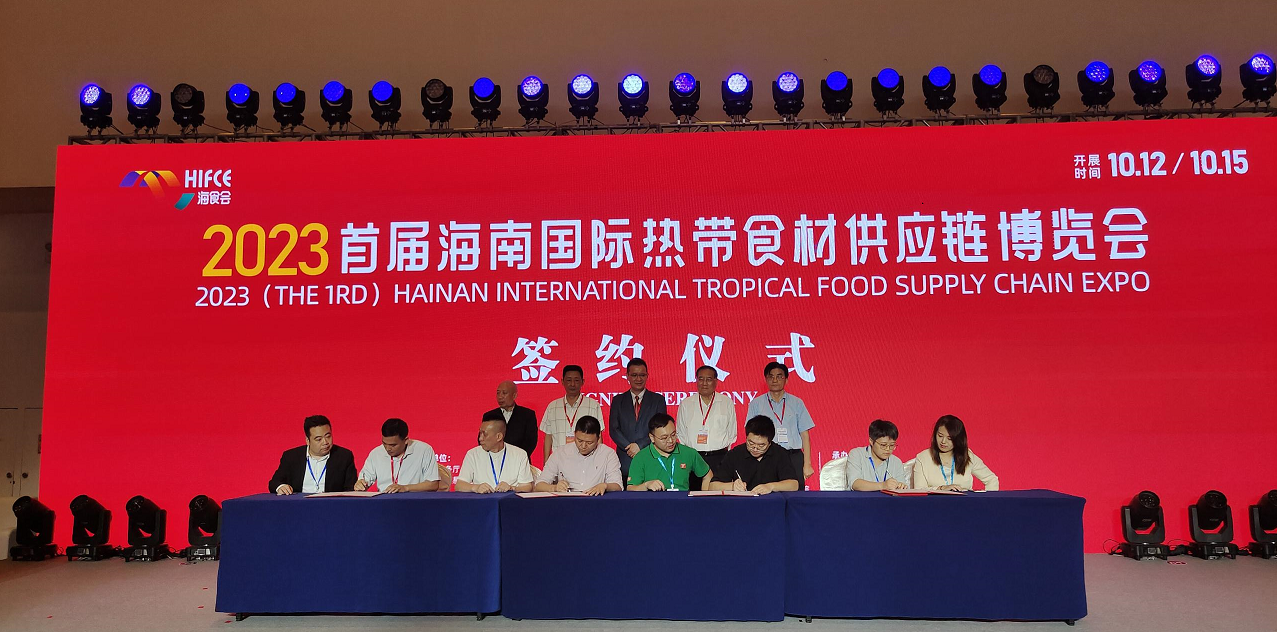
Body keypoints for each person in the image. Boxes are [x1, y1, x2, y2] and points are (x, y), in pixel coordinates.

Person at [746, 362, 816, 483]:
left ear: (786, 380)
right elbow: (750, 434)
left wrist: (807, 464)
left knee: (796, 492)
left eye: (779, 376)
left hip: (793, 456)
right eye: (771, 376)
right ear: (766, 380)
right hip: (767, 457)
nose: (775, 380)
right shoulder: (756, 404)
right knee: (766, 492)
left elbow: (805, 435)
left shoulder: (797, 403)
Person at [675, 365, 737, 490]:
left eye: (708, 379)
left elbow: (732, 433)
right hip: (694, 458)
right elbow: (680, 433)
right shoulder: (686, 403)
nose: (704, 383)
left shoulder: (726, 402)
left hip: (719, 458)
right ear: (696, 380)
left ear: (716, 381)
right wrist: (689, 455)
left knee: (719, 495)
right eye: (701, 379)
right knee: (694, 494)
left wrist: (726, 457)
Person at [709, 416, 801, 495]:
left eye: (761, 445)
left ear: (770, 443)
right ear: (746, 437)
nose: (755, 448)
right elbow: (712, 486)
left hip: (771, 503)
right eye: (751, 443)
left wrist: (771, 486)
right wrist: (732, 486)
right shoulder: (734, 454)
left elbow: (793, 485)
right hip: (742, 504)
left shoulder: (780, 453)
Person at [269, 415, 359, 494]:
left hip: (330, 505)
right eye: (318, 439)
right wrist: (281, 487)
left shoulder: (344, 456)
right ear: (308, 441)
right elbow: (274, 482)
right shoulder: (291, 457)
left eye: (328, 436)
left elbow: (350, 489)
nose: (325, 442)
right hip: (299, 505)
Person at [608, 358, 666, 480]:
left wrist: (639, 445)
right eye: (634, 375)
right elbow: (614, 429)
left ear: (647, 376)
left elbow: (660, 429)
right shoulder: (618, 400)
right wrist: (630, 447)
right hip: (625, 460)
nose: (638, 379)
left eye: (642, 375)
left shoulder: (658, 400)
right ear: (627, 376)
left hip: (651, 459)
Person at [535, 416, 623, 496]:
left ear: (598, 438)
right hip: (567, 502)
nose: (583, 446)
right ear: (574, 434)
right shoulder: (560, 453)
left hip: (596, 501)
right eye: (579, 440)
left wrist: (605, 486)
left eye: (589, 442)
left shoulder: (608, 454)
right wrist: (554, 488)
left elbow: (618, 486)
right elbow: (539, 485)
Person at [626, 413, 712, 492]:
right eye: (664, 438)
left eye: (673, 435)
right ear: (652, 437)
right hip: (654, 502)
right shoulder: (640, 458)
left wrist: (704, 497)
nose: (670, 441)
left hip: (683, 502)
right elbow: (630, 488)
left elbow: (707, 475)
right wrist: (646, 485)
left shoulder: (689, 453)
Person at [912, 415, 1000, 491]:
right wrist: (941, 488)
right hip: (935, 503)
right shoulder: (923, 457)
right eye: (940, 436)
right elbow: (919, 490)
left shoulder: (968, 455)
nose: (943, 441)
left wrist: (986, 502)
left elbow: (991, 479)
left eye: (949, 438)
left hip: (964, 504)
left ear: (958, 439)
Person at [354, 418, 441, 492]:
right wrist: (361, 484)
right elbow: (365, 480)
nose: (387, 448)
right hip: (384, 501)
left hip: (414, 501)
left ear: (406, 440)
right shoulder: (376, 453)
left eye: (393, 445)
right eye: (384, 443)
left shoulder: (423, 450)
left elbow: (433, 484)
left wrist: (405, 488)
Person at [540, 364, 603, 464]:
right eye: (569, 380)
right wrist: (546, 463)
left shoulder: (593, 405)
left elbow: (598, 436)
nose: (572, 384)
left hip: (586, 461)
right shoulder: (552, 406)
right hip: (559, 461)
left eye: (576, 380)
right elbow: (548, 436)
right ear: (562, 382)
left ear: (583, 382)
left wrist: (598, 462)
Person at [455, 418, 534, 493]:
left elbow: (527, 486)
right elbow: (459, 485)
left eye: (484, 434)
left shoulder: (520, 454)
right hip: (482, 500)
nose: (480, 438)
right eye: (480, 433)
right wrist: (476, 487)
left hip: (510, 500)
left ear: (499, 437)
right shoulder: (472, 454)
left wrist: (511, 488)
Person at [844, 419, 908, 491]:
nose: (887, 449)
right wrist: (883, 485)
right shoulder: (856, 454)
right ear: (871, 441)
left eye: (892, 445)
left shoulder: (896, 462)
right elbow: (855, 484)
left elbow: (901, 486)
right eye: (883, 445)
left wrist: (901, 486)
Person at [482, 380, 538, 458]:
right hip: (494, 459)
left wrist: (517, 457)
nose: (500, 396)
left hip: (519, 459)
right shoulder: (489, 416)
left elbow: (531, 441)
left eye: (504, 393)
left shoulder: (527, 415)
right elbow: (483, 439)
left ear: (514, 396)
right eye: (498, 393)